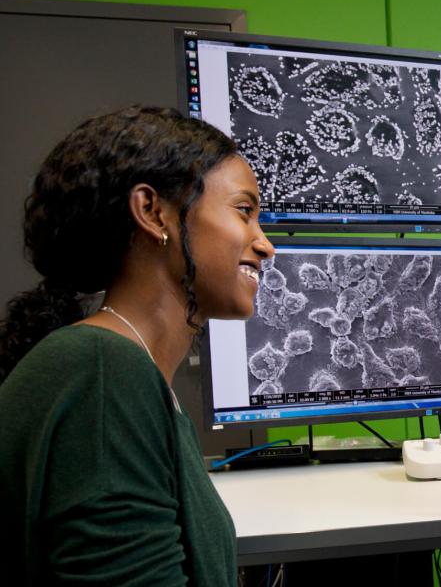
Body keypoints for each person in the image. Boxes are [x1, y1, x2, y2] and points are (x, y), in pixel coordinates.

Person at [0, 106, 274, 585]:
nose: (265, 244)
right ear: (152, 211)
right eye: (244, 211)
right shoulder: (105, 376)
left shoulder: (121, 371)